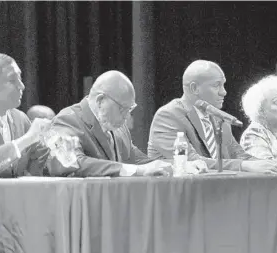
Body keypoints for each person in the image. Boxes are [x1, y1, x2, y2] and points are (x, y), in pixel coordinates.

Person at [47, 70, 204, 177]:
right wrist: (137, 171)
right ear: (101, 101)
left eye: (130, 109)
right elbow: (70, 162)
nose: (127, 117)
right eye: (122, 109)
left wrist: (180, 166)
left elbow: (139, 161)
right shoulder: (68, 120)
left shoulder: (119, 128)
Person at [148, 60, 277, 174]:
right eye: (216, 85)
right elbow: (192, 161)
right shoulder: (168, 116)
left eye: (223, 85)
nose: (224, 92)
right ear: (194, 88)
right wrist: (243, 166)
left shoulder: (219, 119)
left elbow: (240, 156)